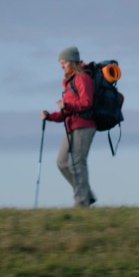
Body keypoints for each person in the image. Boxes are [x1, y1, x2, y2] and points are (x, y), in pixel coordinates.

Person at [41, 47, 97, 207]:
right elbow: (67, 111)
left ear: (72, 61)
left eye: (64, 62)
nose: (62, 66)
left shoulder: (82, 78)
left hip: (85, 126)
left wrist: (67, 104)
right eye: (61, 63)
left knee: (77, 163)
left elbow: (87, 103)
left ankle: (81, 202)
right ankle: (87, 194)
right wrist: (50, 116)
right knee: (62, 162)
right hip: (72, 126)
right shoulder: (70, 81)